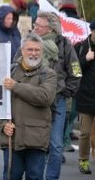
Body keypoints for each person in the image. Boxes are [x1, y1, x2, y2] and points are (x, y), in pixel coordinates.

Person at [0, 34, 57, 180]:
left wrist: (16, 86)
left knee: (35, 177)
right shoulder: (8, 71)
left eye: (37, 50)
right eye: (30, 49)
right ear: (22, 50)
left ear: (42, 52)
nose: (34, 53)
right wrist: (2, 125)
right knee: (11, 176)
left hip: (36, 139)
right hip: (12, 138)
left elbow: (45, 97)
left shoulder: (49, 74)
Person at [33, 11, 81, 180]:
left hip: (58, 101)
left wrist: (67, 92)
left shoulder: (65, 45)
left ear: (50, 28)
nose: (35, 27)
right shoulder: (30, 43)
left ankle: (51, 178)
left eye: (38, 25)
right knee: (36, 144)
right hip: (34, 101)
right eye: (35, 24)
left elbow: (76, 71)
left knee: (56, 145)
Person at [76, 20, 95, 174]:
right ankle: (83, 160)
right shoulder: (82, 46)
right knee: (85, 133)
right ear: (92, 31)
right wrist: (86, 59)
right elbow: (74, 70)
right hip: (85, 97)